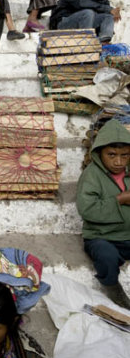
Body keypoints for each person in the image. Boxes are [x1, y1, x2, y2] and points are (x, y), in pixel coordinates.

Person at [77, 119, 130, 309]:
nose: (118, 161)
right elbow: (87, 208)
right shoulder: (92, 175)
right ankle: (113, 288)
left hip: (127, 236)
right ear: (100, 153)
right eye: (112, 155)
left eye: (125, 155)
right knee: (106, 256)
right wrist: (120, 200)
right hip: (102, 237)